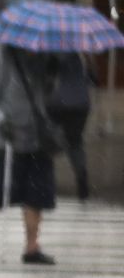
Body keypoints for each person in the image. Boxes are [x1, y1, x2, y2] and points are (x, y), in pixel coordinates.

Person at [0, 46, 64, 264]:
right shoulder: (11, 55)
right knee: (15, 193)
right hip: (21, 135)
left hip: (25, 134)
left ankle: (31, 247)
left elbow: (0, 93)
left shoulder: (33, 56)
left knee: (26, 193)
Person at [48, 52, 92, 202]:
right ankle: (82, 179)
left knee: (49, 138)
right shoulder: (82, 54)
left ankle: (44, 179)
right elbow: (93, 78)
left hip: (59, 102)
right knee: (75, 142)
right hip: (81, 105)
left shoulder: (54, 52)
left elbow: (48, 75)